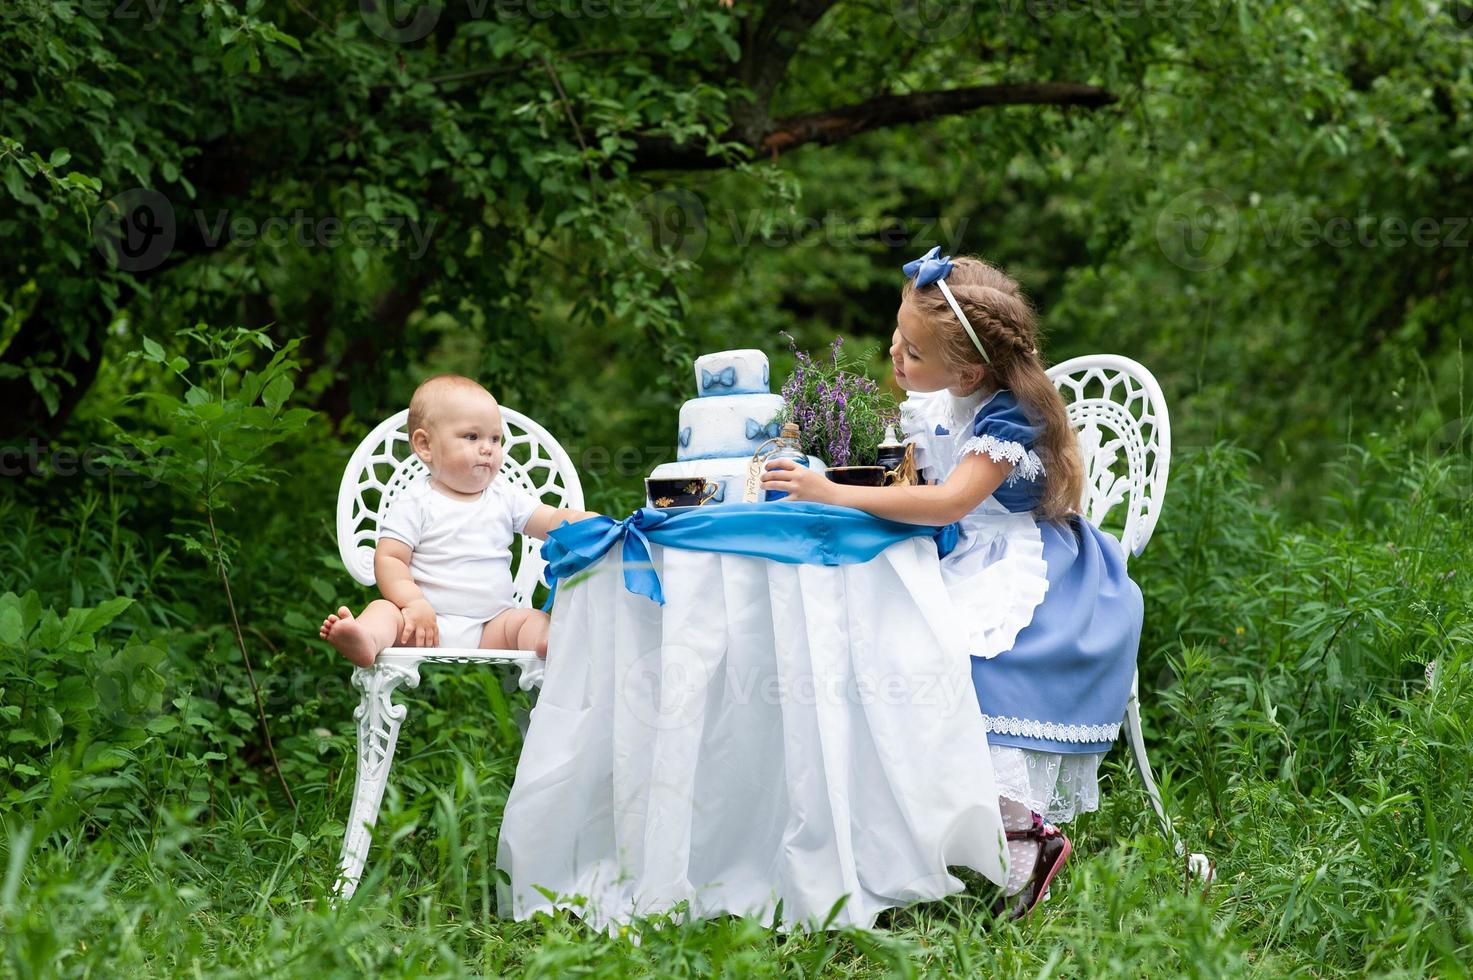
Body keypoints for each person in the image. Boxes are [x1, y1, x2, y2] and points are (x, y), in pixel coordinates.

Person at [760, 247, 1143, 920]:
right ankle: (897, 831)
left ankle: (1019, 834)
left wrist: (828, 491)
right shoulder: (945, 397)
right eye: (895, 340)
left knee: (942, 649)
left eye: (910, 351)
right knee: (874, 629)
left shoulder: (1007, 417)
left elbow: (949, 503)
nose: (893, 357)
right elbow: (920, 487)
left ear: (966, 368)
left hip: (1031, 567)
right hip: (960, 550)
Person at [320, 374, 599, 667]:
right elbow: (390, 558)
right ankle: (365, 638)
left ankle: (548, 640)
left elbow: (550, 519)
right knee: (383, 611)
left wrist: (583, 522)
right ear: (425, 445)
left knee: (530, 619)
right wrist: (414, 603)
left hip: (493, 624)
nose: (488, 448)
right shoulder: (415, 500)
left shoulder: (505, 494)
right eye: (472, 437)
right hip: (426, 623)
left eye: (495, 438)